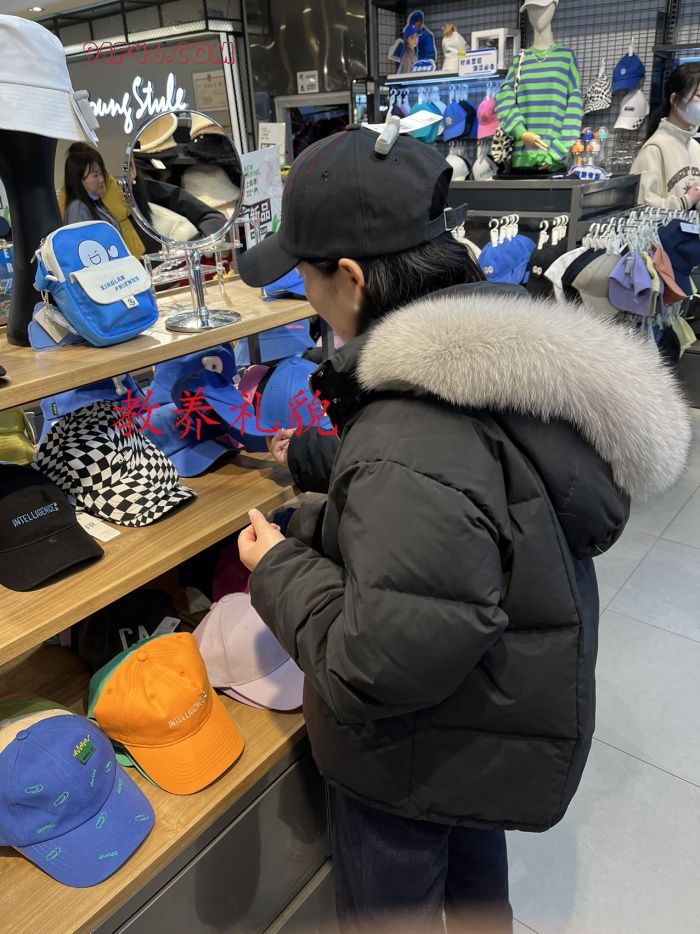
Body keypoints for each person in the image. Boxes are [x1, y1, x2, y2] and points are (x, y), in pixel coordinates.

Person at [235, 127, 690, 933]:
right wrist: (322, 491)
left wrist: (276, 568)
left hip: (410, 759)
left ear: (350, 277)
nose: (304, 296)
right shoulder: (496, 365)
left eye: (304, 275)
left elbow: (378, 661)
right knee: (480, 895)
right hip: (480, 727)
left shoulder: (408, 430)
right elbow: (460, 503)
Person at [631, 63, 700, 210]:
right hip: (664, 226)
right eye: (699, 96)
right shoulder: (654, 149)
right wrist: (684, 201)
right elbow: (640, 206)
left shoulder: (695, 147)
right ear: (675, 100)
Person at [59, 143, 145, 256]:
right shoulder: (78, 208)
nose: (101, 180)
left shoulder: (96, 202)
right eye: (95, 175)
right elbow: (82, 252)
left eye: (101, 173)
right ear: (79, 179)